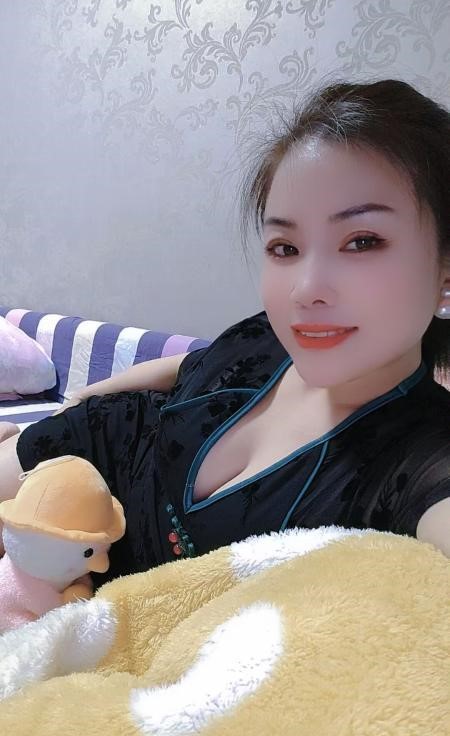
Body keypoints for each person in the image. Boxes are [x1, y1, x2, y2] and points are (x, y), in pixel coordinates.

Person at [0, 78, 449, 583]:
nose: (305, 290)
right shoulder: (269, 336)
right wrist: (80, 400)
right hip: (96, 448)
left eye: (362, 241)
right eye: (285, 248)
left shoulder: (423, 456)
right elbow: (186, 366)